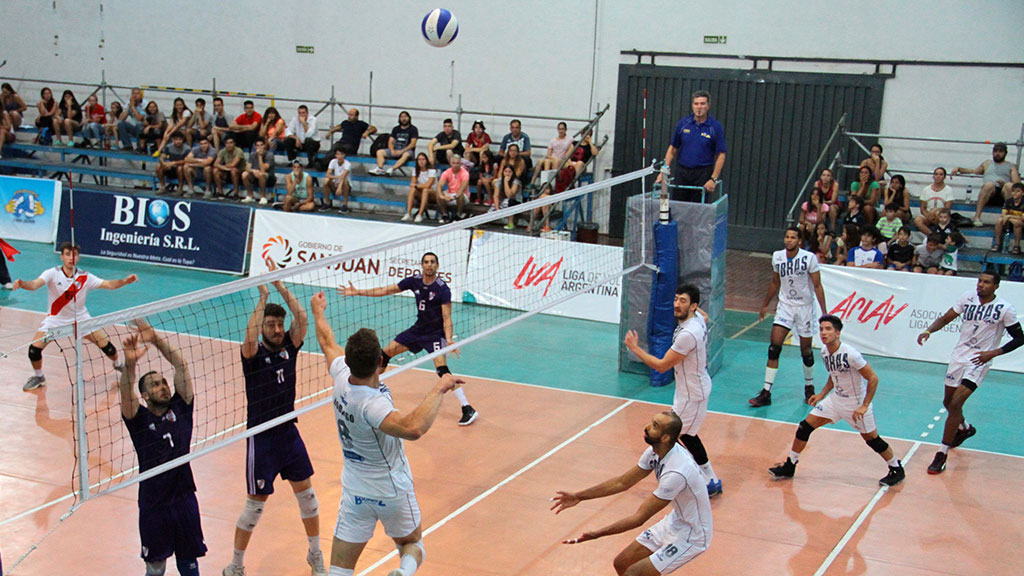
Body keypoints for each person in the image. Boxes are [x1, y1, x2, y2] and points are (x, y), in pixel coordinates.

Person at [310, 291, 462, 576]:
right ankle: (402, 572)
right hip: (391, 489)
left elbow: (327, 341)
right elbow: (413, 428)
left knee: (339, 570)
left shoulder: (341, 374)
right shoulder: (372, 404)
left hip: (355, 491)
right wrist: (440, 387)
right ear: (381, 360)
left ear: (349, 360)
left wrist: (318, 312)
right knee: (413, 544)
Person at [223, 261, 326, 576]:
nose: (278, 330)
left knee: (309, 498)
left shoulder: (289, 348)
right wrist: (263, 296)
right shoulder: (253, 356)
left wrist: (280, 285)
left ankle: (315, 555)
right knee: (255, 506)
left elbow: (302, 318)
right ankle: (236, 565)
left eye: (279, 325)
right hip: (262, 438)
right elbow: (249, 336)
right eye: (271, 325)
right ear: (262, 327)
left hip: (288, 434)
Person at [552, 410, 712, 576]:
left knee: (634, 573)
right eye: (651, 422)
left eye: (655, 426)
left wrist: (597, 534)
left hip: (693, 534)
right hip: (676, 520)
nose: (647, 427)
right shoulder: (656, 451)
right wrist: (578, 496)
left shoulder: (676, 473)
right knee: (622, 563)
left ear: (665, 438)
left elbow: (639, 518)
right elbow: (622, 482)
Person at [339, 252, 478, 425]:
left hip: (435, 335)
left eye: (432, 262)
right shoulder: (415, 281)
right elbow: (387, 290)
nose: (429, 265)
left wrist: (448, 340)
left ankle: (467, 408)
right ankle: (368, 391)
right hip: (417, 330)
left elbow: (447, 317)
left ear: (437, 265)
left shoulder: (442, 289)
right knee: (383, 355)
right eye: (426, 262)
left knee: (442, 370)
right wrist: (358, 292)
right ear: (422, 265)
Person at [769, 315, 906, 487]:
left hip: (855, 405)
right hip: (835, 401)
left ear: (838, 333)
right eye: (821, 329)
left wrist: (864, 406)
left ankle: (896, 468)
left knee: (872, 440)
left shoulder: (851, 355)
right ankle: (790, 465)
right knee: (805, 427)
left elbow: (873, 378)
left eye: (828, 329)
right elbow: (834, 374)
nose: (823, 333)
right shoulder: (825, 351)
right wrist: (822, 394)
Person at [118, 319, 207, 576]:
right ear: (145, 396)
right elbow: (126, 392)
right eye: (155, 385)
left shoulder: (182, 408)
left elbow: (181, 366)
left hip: (184, 497)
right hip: (154, 503)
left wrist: (155, 338)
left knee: (189, 563)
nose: (163, 387)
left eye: (164, 382)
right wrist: (130, 364)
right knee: (156, 569)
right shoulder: (139, 419)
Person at [916, 271, 1023, 474]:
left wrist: (993, 353)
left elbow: (1020, 338)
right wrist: (928, 330)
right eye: (980, 281)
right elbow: (946, 318)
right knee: (948, 402)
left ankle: (941, 454)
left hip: (979, 360)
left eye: (986, 282)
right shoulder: (967, 298)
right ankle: (964, 428)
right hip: (959, 357)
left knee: (956, 403)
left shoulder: (1004, 309)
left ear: (996, 286)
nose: (981, 285)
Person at [624, 284, 722, 496]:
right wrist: (691, 304)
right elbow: (705, 316)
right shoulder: (698, 319)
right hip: (690, 390)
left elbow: (661, 366)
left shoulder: (689, 333)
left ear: (693, 305)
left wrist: (635, 349)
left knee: (669, 435)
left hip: (691, 394)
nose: (677, 304)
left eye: (683, 301)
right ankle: (710, 479)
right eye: (676, 299)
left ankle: (692, 477)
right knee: (689, 436)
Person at [12, 242, 137, 391]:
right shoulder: (52, 273)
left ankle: (118, 364)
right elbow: (34, 285)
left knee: (109, 348)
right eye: (67, 254)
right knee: (34, 350)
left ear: (78, 257)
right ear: (62, 257)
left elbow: (110, 285)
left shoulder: (85, 277)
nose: (71, 258)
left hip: (81, 320)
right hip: (56, 320)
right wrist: (22, 284)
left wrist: (125, 281)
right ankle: (39, 376)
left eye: (74, 254)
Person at [750, 227, 827, 407]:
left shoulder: (809, 258)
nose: (789, 240)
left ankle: (809, 386)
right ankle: (766, 392)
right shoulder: (777, 256)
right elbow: (775, 282)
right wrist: (765, 304)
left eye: (793, 237)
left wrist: (825, 313)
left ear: (799, 241)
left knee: (806, 352)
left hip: (804, 307)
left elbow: (817, 285)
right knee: (774, 348)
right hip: (785, 306)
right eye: (787, 237)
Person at [657, 90, 727, 203]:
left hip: (703, 174)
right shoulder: (683, 123)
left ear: (708, 106)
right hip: (682, 173)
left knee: (698, 209)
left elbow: (721, 155)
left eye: (702, 104)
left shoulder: (715, 127)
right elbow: (672, 149)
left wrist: (713, 179)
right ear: (692, 105)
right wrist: (663, 172)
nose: (699, 107)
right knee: (677, 206)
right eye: (696, 104)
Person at [954, 142, 1021, 226]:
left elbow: (1017, 184)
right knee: (989, 185)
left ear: (1005, 153)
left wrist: (1005, 183)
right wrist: (959, 169)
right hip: (989, 194)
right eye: (995, 151)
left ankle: (1008, 219)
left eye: (1000, 151)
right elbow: (974, 171)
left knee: (1009, 186)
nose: (997, 153)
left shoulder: (1011, 166)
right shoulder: (987, 163)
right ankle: (977, 217)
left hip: (1004, 195)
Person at [372, 111, 418, 176]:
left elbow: (413, 144)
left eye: (405, 117)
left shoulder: (413, 129)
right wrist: (392, 150)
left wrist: (401, 151)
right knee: (379, 152)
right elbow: (390, 141)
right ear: (399, 119)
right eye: (402, 117)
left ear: (409, 118)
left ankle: (392, 169)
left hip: (407, 150)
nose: (404, 119)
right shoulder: (396, 129)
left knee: (406, 154)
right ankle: (380, 168)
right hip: (395, 149)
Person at [529, 121, 573, 188]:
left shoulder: (569, 139)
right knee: (542, 161)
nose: (561, 131)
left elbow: (570, 150)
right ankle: (534, 182)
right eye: (559, 129)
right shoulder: (553, 140)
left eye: (562, 129)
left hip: (562, 159)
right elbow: (548, 154)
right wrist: (552, 158)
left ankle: (552, 183)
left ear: (565, 130)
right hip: (552, 158)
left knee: (556, 161)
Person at [913, 167, 954, 234]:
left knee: (940, 215)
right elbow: (922, 208)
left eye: (941, 174)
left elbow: (947, 209)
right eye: (936, 174)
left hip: (941, 216)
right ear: (933, 176)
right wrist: (928, 215)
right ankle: (932, 236)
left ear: (944, 177)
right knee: (917, 220)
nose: (938, 176)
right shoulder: (926, 189)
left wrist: (935, 211)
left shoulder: (948, 190)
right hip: (928, 215)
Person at [434, 155, 470, 223]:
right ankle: (444, 215)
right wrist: (442, 196)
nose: (455, 165)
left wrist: (454, 197)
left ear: (460, 164)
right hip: (450, 193)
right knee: (439, 193)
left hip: (462, 196)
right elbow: (439, 185)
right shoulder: (447, 172)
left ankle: (458, 215)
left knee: (460, 196)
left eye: (457, 163)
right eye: (453, 163)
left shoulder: (465, 173)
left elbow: (462, 188)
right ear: (450, 164)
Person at [402, 152, 436, 223]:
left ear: (426, 161)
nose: (421, 161)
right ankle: (408, 213)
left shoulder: (432, 171)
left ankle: (420, 214)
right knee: (412, 189)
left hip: (433, 193)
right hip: (422, 191)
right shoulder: (416, 170)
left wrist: (417, 186)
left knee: (425, 190)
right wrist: (416, 186)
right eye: (419, 160)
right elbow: (412, 184)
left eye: (423, 159)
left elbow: (428, 185)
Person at [241, 137, 276, 204]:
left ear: (264, 145)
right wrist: (253, 171)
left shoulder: (270, 155)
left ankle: (263, 197)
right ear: (255, 146)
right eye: (257, 145)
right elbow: (247, 168)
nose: (259, 147)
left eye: (261, 145)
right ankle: (250, 196)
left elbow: (263, 169)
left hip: (269, 178)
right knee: (244, 174)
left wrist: (260, 156)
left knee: (261, 174)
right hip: (256, 176)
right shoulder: (252, 154)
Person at [993, 182, 1024, 253]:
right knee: (999, 220)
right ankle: (997, 244)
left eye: (1018, 191)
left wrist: (1009, 216)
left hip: (1021, 224)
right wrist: (1008, 218)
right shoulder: (1008, 201)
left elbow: (1022, 218)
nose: (1015, 193)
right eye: (1013, 191)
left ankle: (1016, 246)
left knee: (1017, 223)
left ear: (1023, 193)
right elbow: (1003, 215)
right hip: (1010, 222)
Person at [324, 147, 353, 213]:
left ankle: (345, 205)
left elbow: (343, 176)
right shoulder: (333, 161)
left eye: (341, 154)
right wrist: (337, 177)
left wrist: (339, 187)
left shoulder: (347, 164)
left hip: (345, 185)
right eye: (338, 154)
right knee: (326, 180)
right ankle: (327, 203)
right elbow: (327, 174)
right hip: (336, 183)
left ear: (344, 155)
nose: (339, 156)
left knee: (345, 181)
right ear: (335, 155)